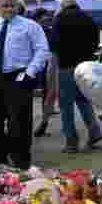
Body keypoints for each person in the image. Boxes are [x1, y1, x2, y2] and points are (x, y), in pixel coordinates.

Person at [0, 0, 51, 169]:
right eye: (4, 6)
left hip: (17, 77)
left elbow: (42, 50)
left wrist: (30, 73)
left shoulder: (30, 26)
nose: (9, 9)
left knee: (19, 120)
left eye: (12, 5)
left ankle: (20, 160)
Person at [49, 0, 102, 153]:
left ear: (62, 4)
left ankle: (71, 141)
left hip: (67, 66)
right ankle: (94, 132)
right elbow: (95, 42)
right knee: (83, 99)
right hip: (85, 66)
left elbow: (54, 45)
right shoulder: (87, 18)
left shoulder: (59, 19)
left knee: (66, 105)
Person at [32, 8, 57, 136]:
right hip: (37, 65)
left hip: (45, 65)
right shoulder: (35, 30)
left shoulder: (48, 30)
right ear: (38, 18)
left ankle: (43, 122)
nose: (47, 18)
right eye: (45, 16)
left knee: (47, 93)